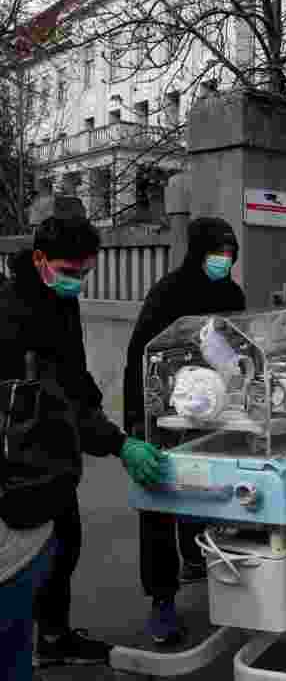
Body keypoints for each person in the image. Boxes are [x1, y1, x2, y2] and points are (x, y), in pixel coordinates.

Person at [0, 215, 166, 667]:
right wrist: (116, 443)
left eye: (85, 273)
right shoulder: (13, 312)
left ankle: (53, 636)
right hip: (20, 453)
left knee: (65, 541)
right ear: (39, 260)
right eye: (70, 272)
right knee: (27, 557)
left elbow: (74, 373)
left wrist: (99, 409)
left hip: (55, 445)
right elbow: (53, 397)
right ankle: (26, 642)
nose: (78, 282)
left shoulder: (59, 299)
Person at [122, 217, 246, 645]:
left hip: (213, 411)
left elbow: (241, 344)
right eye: (217, 251)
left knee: (208, 487)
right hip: (165, 412)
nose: (224, 259)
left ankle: (198, 556)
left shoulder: (231, 293)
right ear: (197, 251)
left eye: (230, 252)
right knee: (159, 498)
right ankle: (162, 599)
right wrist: (137, 421)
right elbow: (138, 355)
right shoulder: (168, 292)